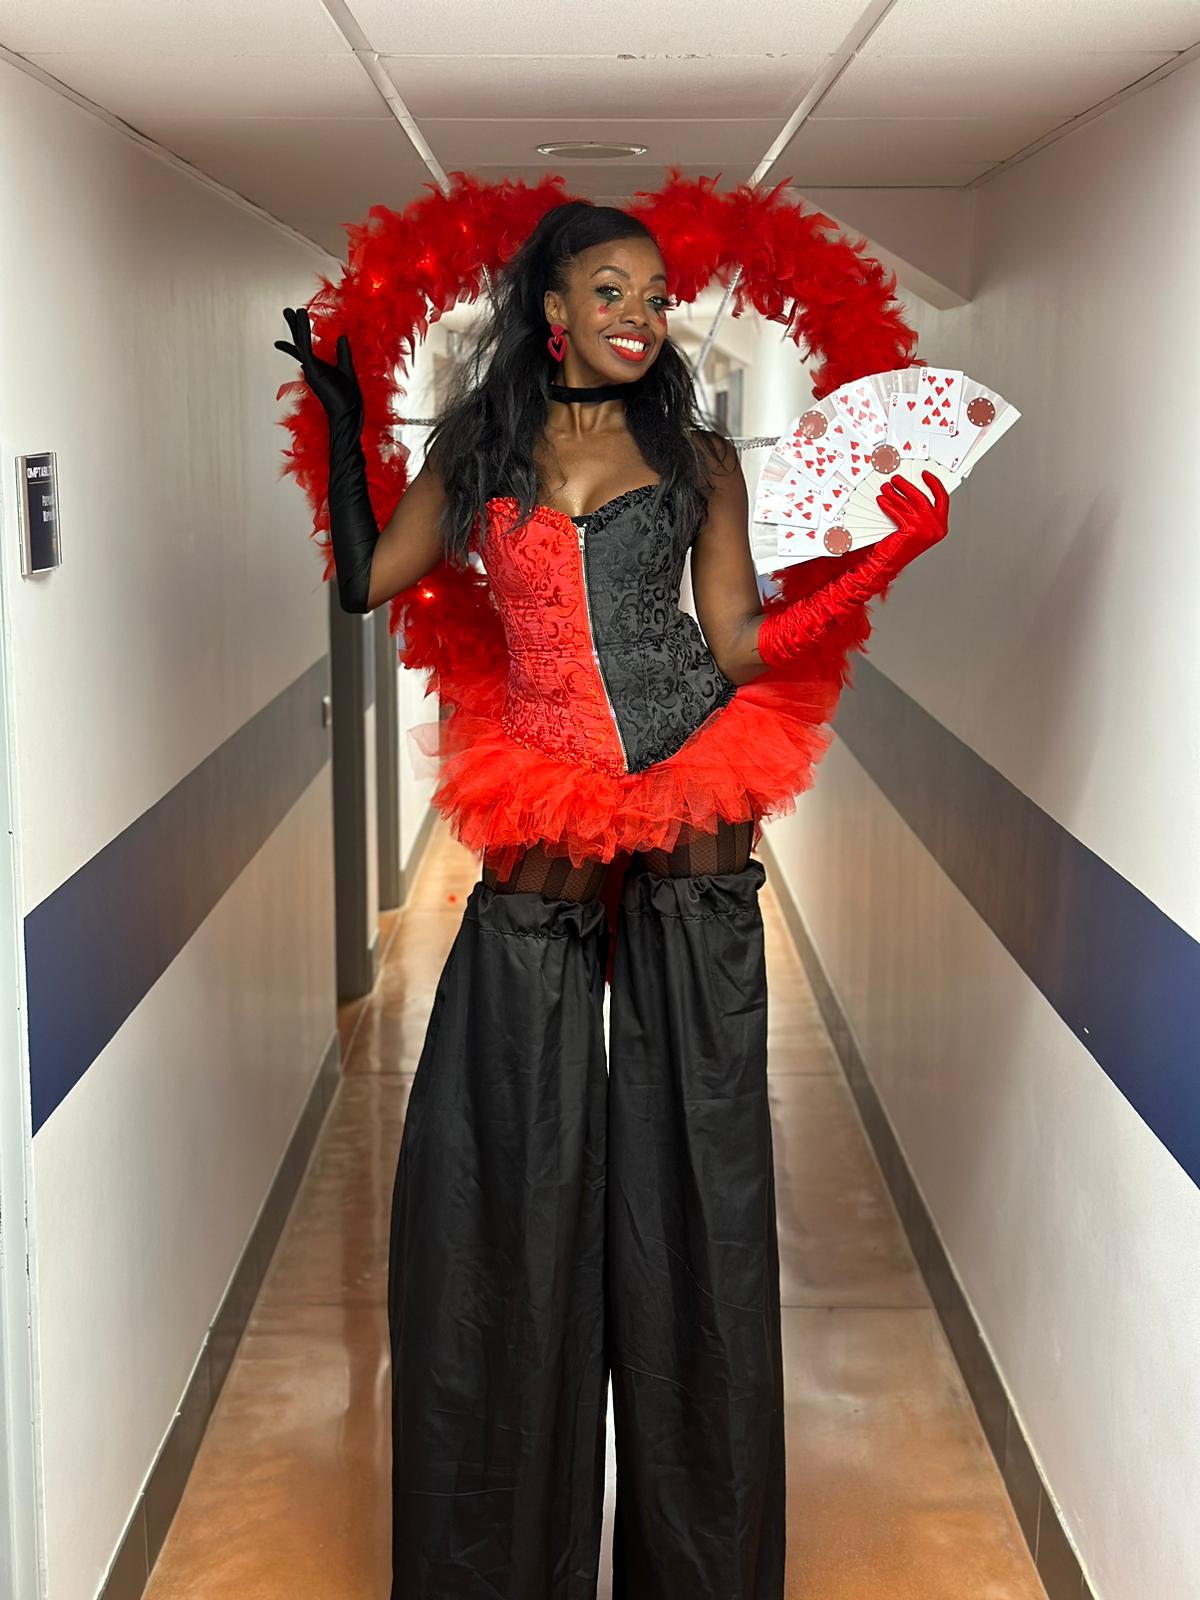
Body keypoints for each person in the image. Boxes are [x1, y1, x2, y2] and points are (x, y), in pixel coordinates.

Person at [276, 199, 948, 1600]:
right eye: (609, 290)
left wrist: (877, 566)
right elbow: (368, 582)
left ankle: (695, 1561)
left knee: (700, 1140)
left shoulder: (698, 457)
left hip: (692, 773)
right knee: (509, 1137)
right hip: (546, 786)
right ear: (553, 310)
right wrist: (345, 427)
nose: (639, 315)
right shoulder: (481, 447)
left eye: (653, 294)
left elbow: (735, 643)